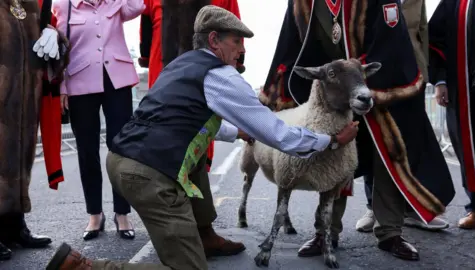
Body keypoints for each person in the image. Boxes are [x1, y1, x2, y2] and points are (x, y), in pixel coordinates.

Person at [45, 5, 360, 269]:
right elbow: (277, 134)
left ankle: (205, 235)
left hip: (121, 159)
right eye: (236, 41)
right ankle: (83, 267)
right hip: (148, 175)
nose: (242, 49)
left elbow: (184, 123)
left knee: (195, 157)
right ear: (214, 40)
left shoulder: (182, 65)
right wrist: (331, 141)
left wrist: (235, 131)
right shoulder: (221, 76)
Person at [260, 0, 455, 261]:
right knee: (333, 158)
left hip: (379, 81)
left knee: (388, 158)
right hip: (333, 90)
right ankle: (326, 232)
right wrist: (275, 98)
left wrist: (352, 75)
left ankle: (390, 232)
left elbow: (390, 45)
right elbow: (289, 44)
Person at [137, 0, 247, 256]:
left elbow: (234, 28)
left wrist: (236, 62)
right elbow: (145, 29)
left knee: (196, 150)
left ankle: (203, 230)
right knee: (165, 151)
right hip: (165, 69)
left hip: (208, 72)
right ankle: (177, 231)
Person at [52, 0, 145, 241]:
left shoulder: (116, 2)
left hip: (117, 81)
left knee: (121, 149)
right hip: (79, 82)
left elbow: (138, 7)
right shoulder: (64, 5)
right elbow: (61, 49)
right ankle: (95, 214)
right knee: (86, 150)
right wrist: (62, 86)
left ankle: (122, 213)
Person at [356, 0, 450, 233]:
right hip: (376, 75)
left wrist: (425, 72)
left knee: (409, 144)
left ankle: (411, 208)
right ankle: (373, 207)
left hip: (411, 77)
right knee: (374, 142)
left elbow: (422, 32)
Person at [0, 0, 68, 261]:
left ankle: (14, 226)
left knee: (19, 161)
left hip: (26, 100)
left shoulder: (36, 4)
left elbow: (53, 57)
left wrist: (56, 38)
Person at [429, 0, 475, 229]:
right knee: (471, 148)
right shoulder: (457, 2)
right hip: (466, 88)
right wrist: (440, 81)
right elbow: (435, 40)